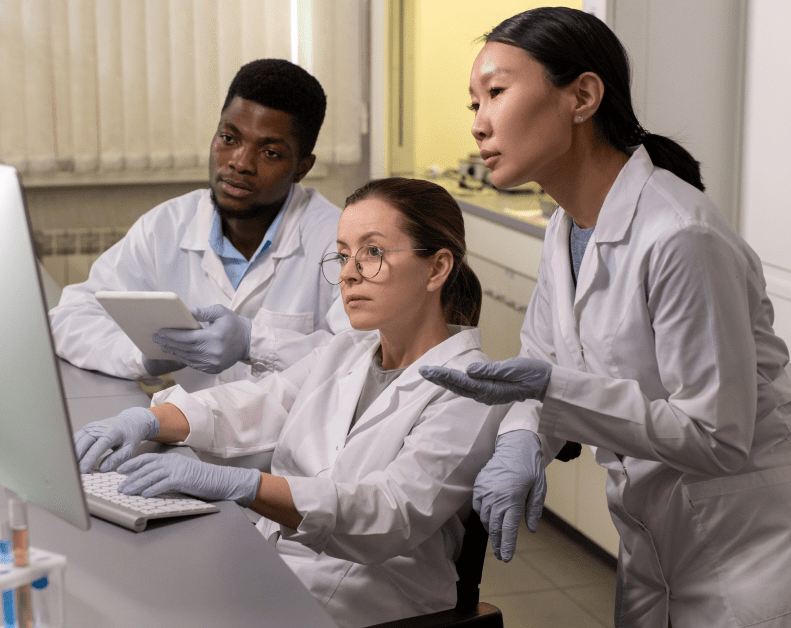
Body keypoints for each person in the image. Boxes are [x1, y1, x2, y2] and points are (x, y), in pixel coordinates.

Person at [419, 7, 791, 627]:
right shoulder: (569, 227)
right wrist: (522, 442)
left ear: (583, 96)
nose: (479, 125)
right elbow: (542, 361)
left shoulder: (680, 234)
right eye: (472, 104)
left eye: (497, 94)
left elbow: (716, 436)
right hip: (659, 544)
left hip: (772, 553)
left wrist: (550, 388)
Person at [74, 178, 504, 628]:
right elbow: (259, 403)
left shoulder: (470, 389)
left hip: (371, 602)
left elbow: (389, 513)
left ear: (436, 269)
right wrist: (145, 420)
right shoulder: (348, 351)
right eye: (342, 255)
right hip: (279, 568)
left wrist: (245, 486)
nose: (348, 273)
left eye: (372, 253)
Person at [49, 58, 349, 395]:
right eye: (228, 138)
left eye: (270, 153)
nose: (239, 162)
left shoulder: (341, 242)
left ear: (301, 168)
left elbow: (365, 358)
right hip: (190, 434)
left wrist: (255, 343)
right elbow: (71, 316)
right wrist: (141, 358)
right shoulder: (166, 226)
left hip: (292, 444)